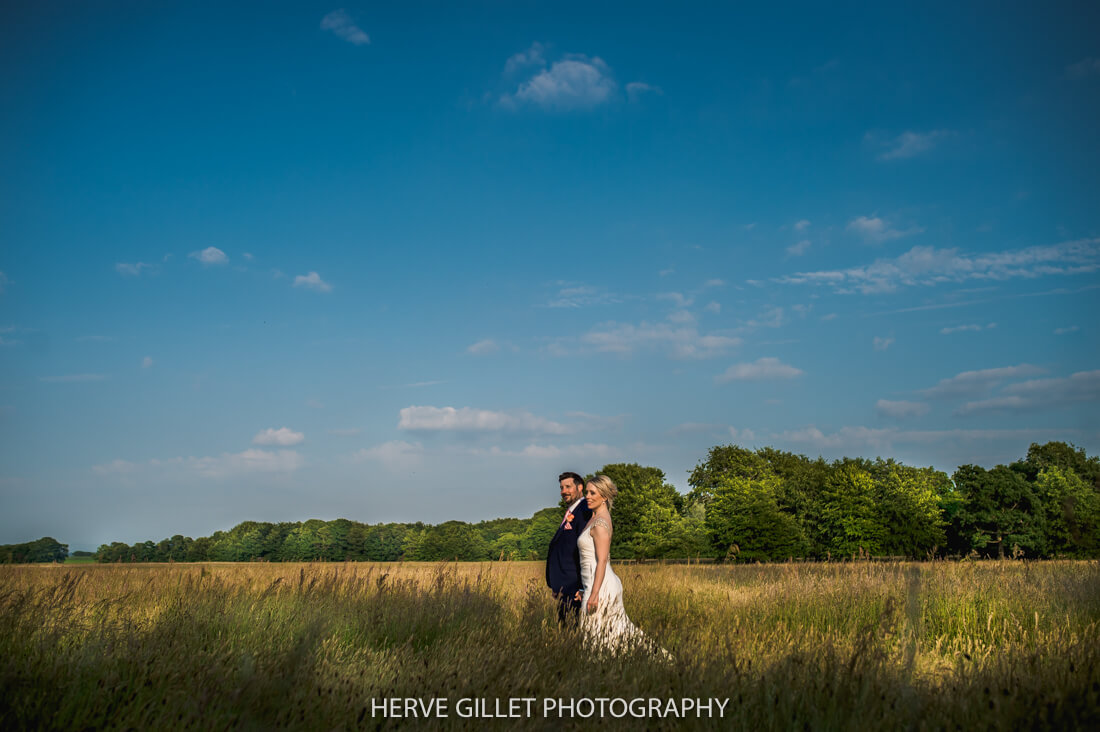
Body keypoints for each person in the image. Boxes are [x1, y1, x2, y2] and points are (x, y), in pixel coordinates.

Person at [578, 474, 670, 658]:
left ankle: (652, 660)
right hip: (595, 583)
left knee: (598, 633)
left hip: (602, 586)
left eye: (592, 492)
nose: (587, 496)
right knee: (612, 632)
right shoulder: (595, 518)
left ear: (604, 496)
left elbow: (602, 561)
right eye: (587, 492)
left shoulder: (601, 523)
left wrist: (594, 593)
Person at [545, 471, 592, 626]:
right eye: (561, 488)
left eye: (568, 487)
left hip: (575, 587)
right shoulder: (572, 511)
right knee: (565, 630)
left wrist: (582, 586)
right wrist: (555, 584)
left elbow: (585, 549)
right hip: (564, 586)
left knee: (572, 630)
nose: (563, 491)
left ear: (580, 487)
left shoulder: (584, 509)